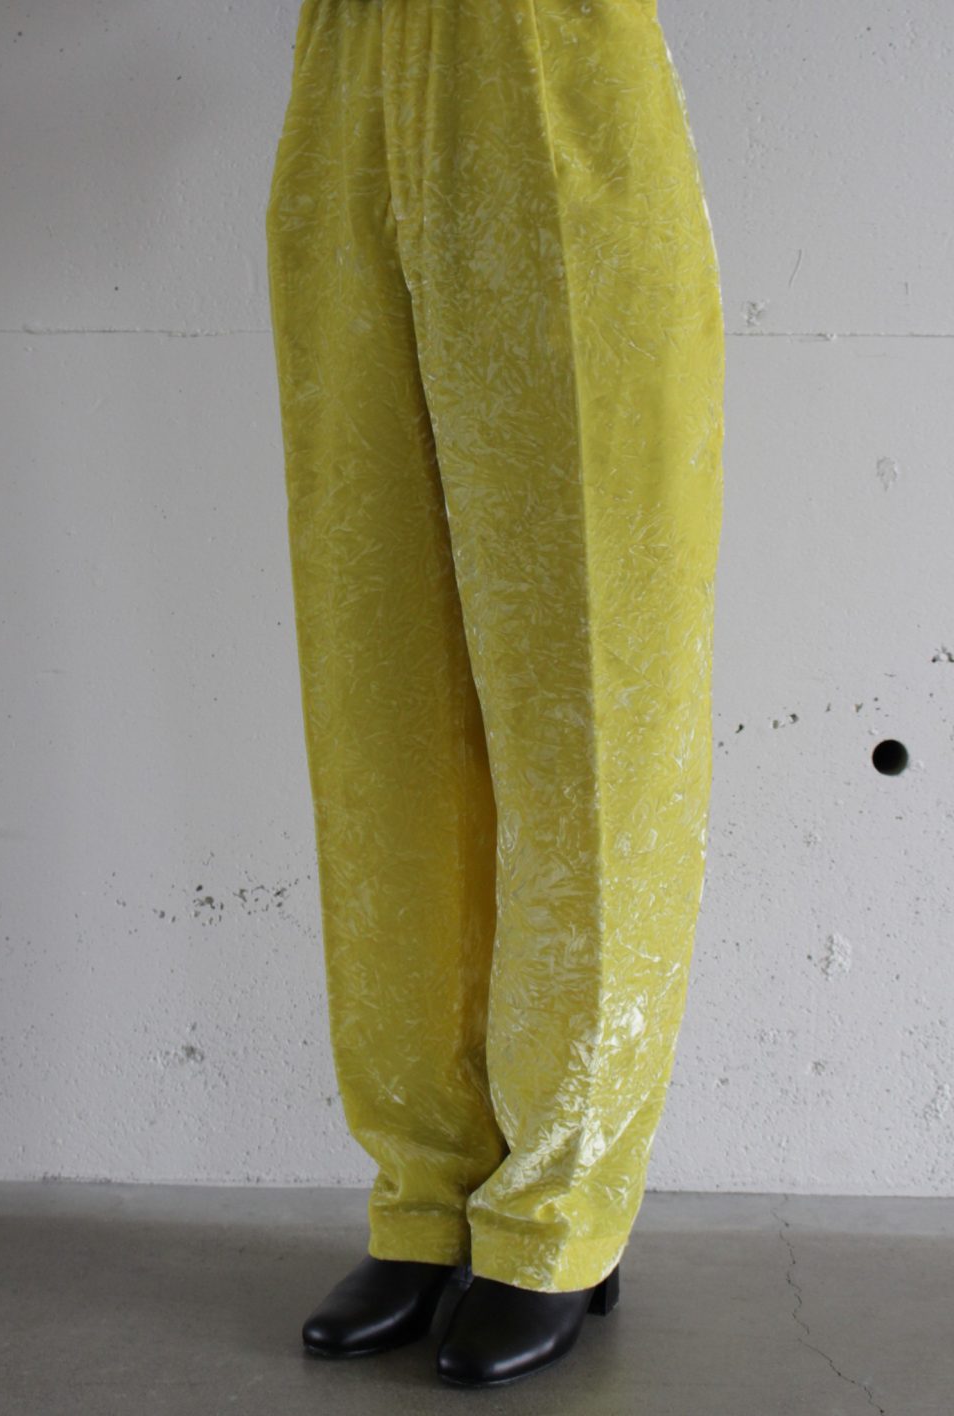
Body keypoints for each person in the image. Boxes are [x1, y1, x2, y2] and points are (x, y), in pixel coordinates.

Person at [265, 0, 724, 1389]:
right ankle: (426, 1195)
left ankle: (562, 1211)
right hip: (346, 63)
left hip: (548, 61)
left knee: (588, 692)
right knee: (379, 686)